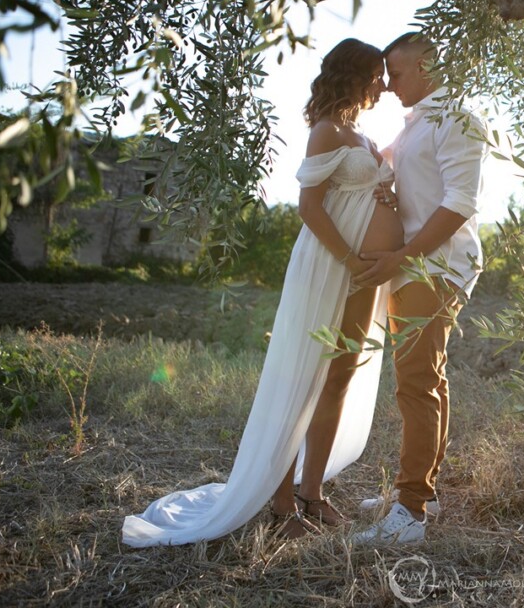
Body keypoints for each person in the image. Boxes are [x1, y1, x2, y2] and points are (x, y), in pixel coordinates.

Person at [122, 38, 403, 546]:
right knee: (303, 378)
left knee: (341, 373)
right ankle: (278, 501)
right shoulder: (326, 131)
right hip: (330, 264)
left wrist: (385, 194)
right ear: (354, 75)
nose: (383, 84)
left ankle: (313, 493)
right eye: (377, 75)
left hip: (365, 274)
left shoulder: (362, 135)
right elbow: (309, 208)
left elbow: (365, 191)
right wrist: (348, 258)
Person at [351, 32, 488, 545]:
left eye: (397, 72)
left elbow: (459, 204)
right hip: (415, 267)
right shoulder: (416, 124)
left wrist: (401, 258)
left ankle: (409, 514)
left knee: (414, 384)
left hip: (435, 268)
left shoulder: (458, 119)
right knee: (429, 378)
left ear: (428, 67)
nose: (388, 84)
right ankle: (423, 493)